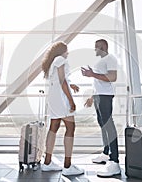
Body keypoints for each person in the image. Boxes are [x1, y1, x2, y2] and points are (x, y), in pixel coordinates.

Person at [41, 41, 84, 176]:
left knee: (53, 128)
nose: (68, 53)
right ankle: (67, 166)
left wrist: (72, 85)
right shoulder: (60, 59)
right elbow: (62, 81)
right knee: (70, 128)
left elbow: (58, 80)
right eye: (67, 50)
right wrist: (71, 101)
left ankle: (47, 163)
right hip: (61, 99)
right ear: (62, 51)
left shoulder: (53, 61)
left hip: (53, 98)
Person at [81, 39, 121, 177]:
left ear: (103, 46)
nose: (95, 49)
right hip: (99, 96)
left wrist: (92, 74)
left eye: (96, 47)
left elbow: (112, 77)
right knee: (103, 125)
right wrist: (92, 97)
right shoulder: (101, 61)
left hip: (106, 96)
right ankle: (105, 153)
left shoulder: (110, 58)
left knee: (108, 125)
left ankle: (114, 161)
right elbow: (98, 81)